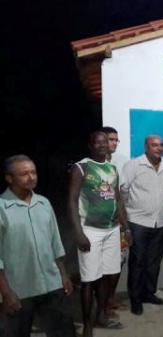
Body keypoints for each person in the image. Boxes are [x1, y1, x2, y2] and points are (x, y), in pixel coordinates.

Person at [1, 155, 76, 337]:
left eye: (33, 172)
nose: (31, 177)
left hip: (51, 283)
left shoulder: (43, 203)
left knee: (63, 332)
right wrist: (6, 293)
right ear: (9, 178)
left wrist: (63, 275)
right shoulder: (2, 208)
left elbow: (55, 242)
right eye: (24, 174)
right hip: (19, 288)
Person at [67, 132, 126, 336]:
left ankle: (101, 315)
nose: (102, 145)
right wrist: (78, 232)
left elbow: (118, 199)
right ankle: (88, 326)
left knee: (107, 276)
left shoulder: (112, 168)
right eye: (97, 142)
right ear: (91, 145)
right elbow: (72, 201)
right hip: (90, 230)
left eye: (105, 142)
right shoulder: (81, 167)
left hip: (112, 229)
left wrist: (125, 228)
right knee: (89, 279)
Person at [121, 135, 163, 315]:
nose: (159, 148)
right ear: (146, 147)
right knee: (137, 262)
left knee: (154, 261)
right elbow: (123, 191)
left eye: (161, 145)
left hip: (160, 222)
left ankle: (148, 293)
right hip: (138, 222)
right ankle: (135, 298)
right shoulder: (133, 165)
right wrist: (129, 212)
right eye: (154, 145)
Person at [101, 126, 129, 316]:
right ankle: (101, 304)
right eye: (111, 139)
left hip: (119, 220)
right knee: (102, 265)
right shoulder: (90, 165)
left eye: (116, 140)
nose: (114, 143)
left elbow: (123, 192)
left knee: (120, 260)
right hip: (99, 223)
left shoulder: (121, 161)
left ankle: (110, 298)